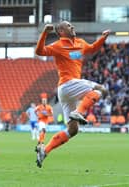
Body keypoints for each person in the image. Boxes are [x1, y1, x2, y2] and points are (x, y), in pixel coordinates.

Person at [35, 21, 110, 168]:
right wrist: (44, 32)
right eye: (69, 26)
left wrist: (103, 38)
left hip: (68, 91)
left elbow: (93, 48)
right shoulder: (58, 45)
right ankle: (79, 112)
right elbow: (39, 52)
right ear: (61, 31)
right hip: (68, 84)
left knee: (73, 130)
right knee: (101, 90)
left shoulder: (80, 43)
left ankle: (45, 151)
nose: (73, 27)